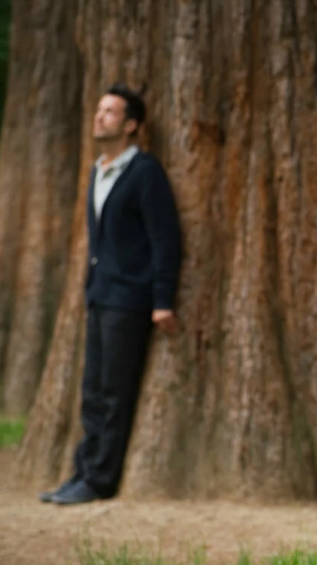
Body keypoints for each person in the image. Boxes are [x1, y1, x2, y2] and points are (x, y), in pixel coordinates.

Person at [39, 83, 182, 505]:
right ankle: (82, 471)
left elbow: (165, 240)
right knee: (92, 391)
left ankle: (99, 481)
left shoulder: (144, 172)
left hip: (130, 301)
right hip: (100, 297)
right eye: (99, 109)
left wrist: (162, 301)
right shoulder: (97, 170)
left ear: (131, 124)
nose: (100, 116)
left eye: (110, 111)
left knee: (114, 394)